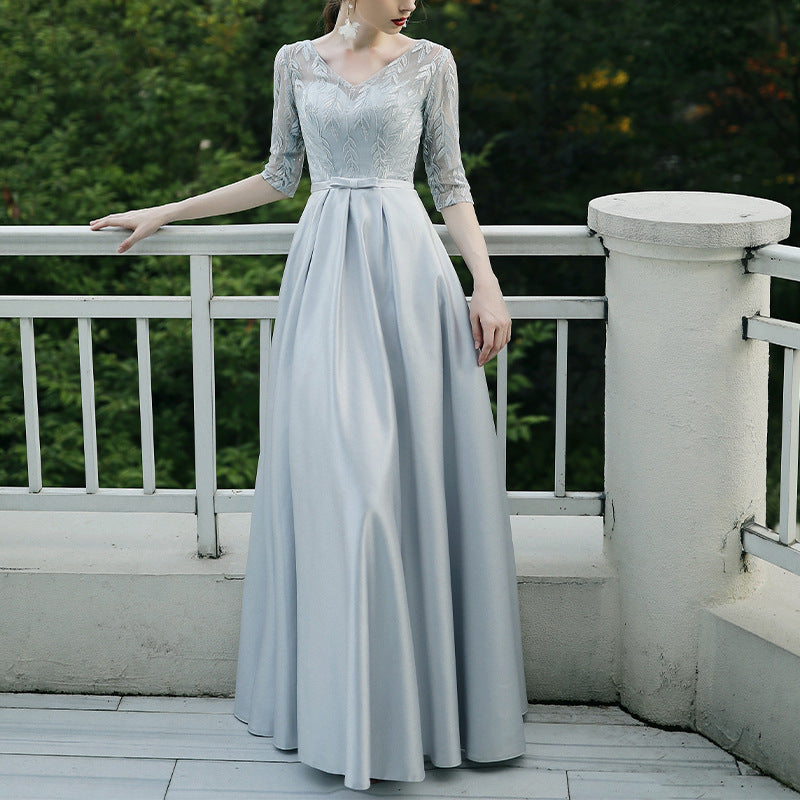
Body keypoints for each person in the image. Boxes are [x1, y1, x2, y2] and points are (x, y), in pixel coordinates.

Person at [90, 0, 528, 791]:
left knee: (404, 487)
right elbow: (276, 176)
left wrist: (486, 284)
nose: (409, 2)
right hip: (327, 277)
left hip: (407, 276)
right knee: (343, 485)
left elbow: (450, 182)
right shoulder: (295, 59)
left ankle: (408, 717)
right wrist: (166, 211)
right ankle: (340, 711)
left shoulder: (432, 61)